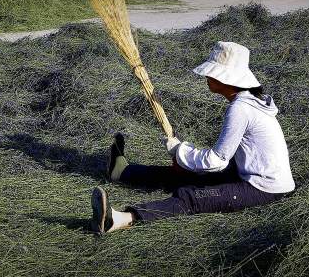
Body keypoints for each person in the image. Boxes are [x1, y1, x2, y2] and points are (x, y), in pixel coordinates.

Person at [90, 41, 295, 234]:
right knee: (184, 175)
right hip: (243, 173)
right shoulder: (247, 102)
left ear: (226, 78)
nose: (207, 77)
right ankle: (123, 172)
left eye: (211, 73)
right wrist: (183, 158)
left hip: (264, 188)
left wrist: (180, 151)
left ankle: (119, 220)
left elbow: (216, 160)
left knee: (192, 198)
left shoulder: (241, 108)